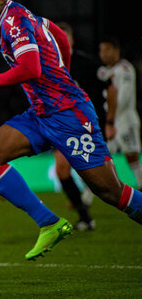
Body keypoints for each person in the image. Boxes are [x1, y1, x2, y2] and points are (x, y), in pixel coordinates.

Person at [0, 0, 142, 261]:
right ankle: (49, 222)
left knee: (110, 192)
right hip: (41, 114)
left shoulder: (13, 22)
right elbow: (61, 36)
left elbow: (31, 69)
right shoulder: (21, 16)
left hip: (69, 116)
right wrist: (63, 69)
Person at [51, 22, 112, 231]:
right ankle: (84, 216)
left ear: (71, 40)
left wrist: (109, 120)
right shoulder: (48, 65)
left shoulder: (86, 63)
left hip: (86, 126)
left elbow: (109, 89)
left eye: (63, 38)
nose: (59, 42)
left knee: (98, 176)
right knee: (61, 170)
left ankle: (131, 205)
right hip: (62, 125)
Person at [98, 38, 142, 189]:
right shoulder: (102, 72)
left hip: (125, 119)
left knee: (131, 155)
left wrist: (107, 111)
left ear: (116, 51)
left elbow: (123, 98)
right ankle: (87, 197)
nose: (103, 54)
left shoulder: (125, 69)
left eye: (107, 50)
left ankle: (141, 184)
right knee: (102, 157)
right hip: (110, 120)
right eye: (101, 50)